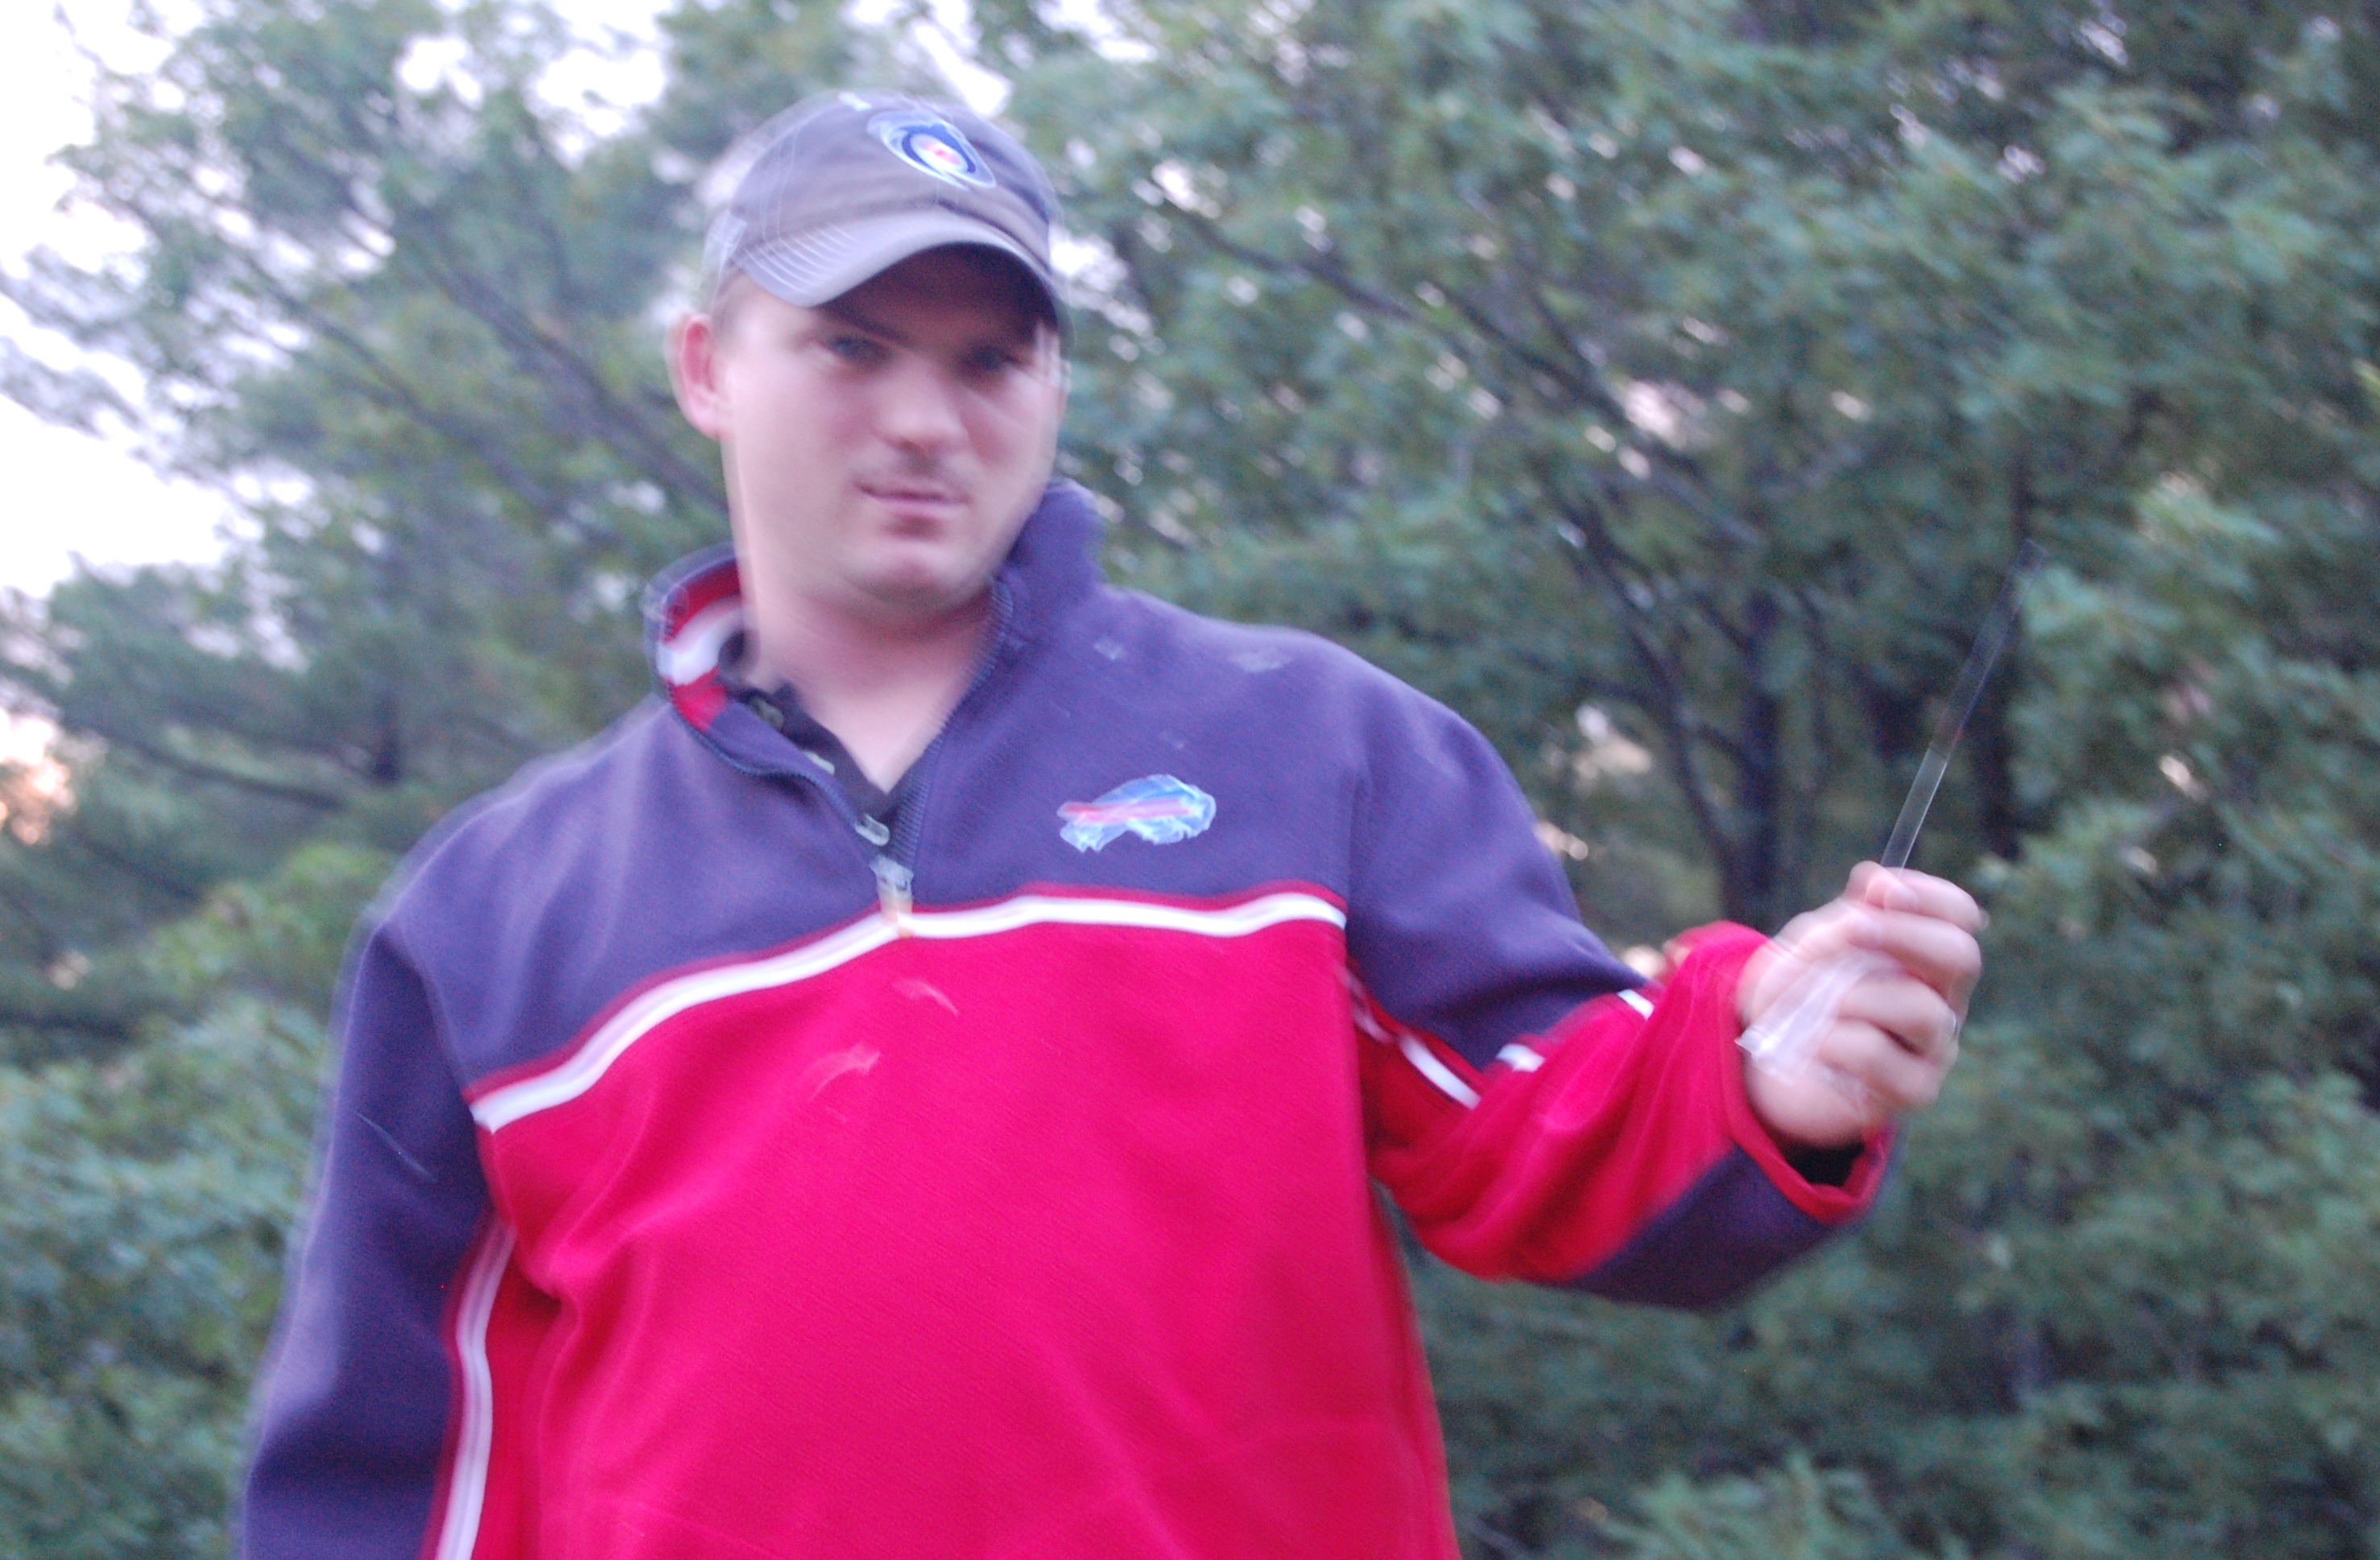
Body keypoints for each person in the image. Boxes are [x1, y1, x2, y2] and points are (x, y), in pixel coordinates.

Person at [240, 91, 1979, 1558]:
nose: (923, 419)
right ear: (707, 366)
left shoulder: (1312, 748)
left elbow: (1546, 1126)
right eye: (851, 345)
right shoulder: (494, 911)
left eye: (990, 358)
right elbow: (397, 1469)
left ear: (1056, 386)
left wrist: (1756, 1075)